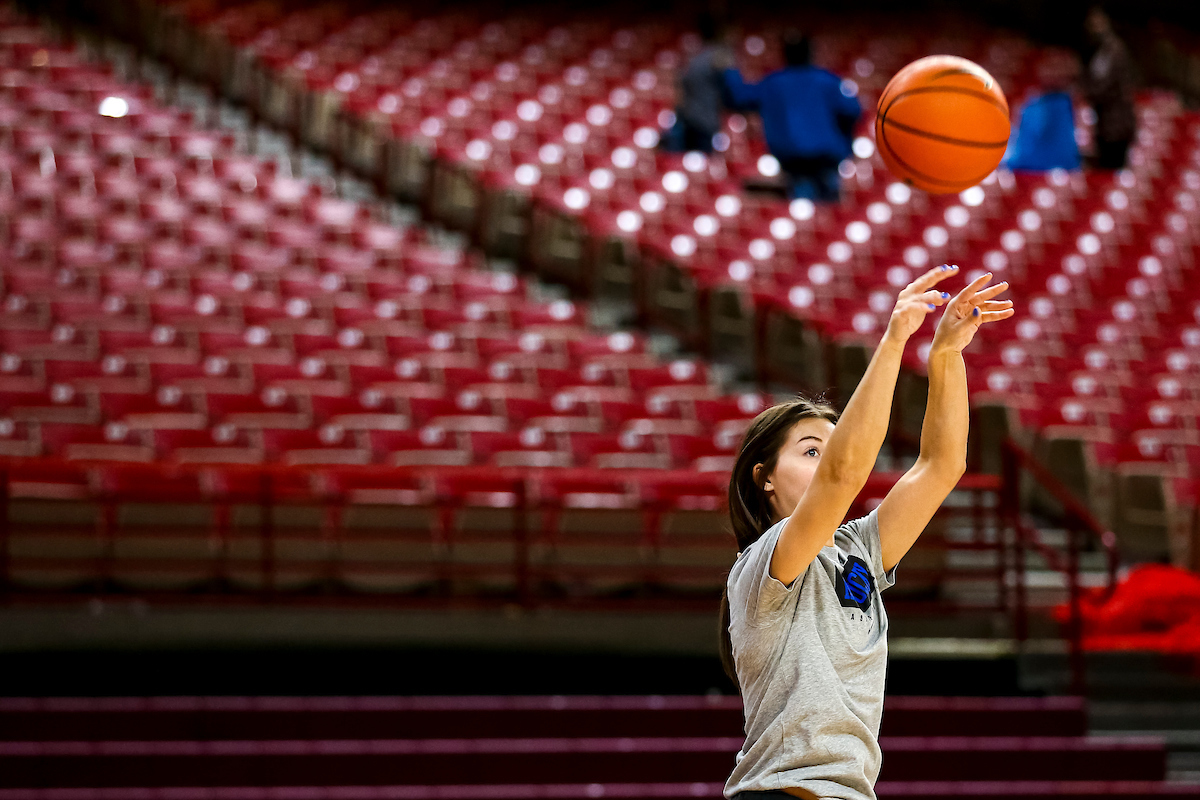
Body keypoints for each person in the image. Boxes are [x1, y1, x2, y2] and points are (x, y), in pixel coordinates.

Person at [720, 265, 1015, 800]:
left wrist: (946, 355)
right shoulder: (760, 565)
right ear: (763, 479)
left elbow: (941, 466)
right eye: (812, 449)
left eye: (831, 445)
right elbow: (844, 472)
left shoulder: (858, 549)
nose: (828, 457)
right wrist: (895, 336)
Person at [724, 32, 860, 201]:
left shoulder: (774, 82)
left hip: (798, 161)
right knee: (825, 210)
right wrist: (845, 144)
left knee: (805, 208)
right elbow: (853, 110)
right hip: (821, 160)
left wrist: (729, 68)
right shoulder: (828, 81)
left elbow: (738, 97)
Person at [662, 13, 731, 154]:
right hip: (703, 124)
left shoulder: (694, 58)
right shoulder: (719, 57)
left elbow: (680, 93)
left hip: (693, 120)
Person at [1004, 52, 1082, 172]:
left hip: (1060, 170)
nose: (1054, 73)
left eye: (1058, 68)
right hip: (1025, 169)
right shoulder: (1030, 103)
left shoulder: (1072, 104)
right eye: (1050, 67)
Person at [1083, 6, 1136, 170]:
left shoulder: (1115, 50)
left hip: (1116, 126)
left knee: (1113, 169)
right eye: (1091, 23)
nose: (1095, 27)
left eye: (1098, 22)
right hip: (1104, 123)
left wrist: (1085, 93)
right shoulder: (1098, 50)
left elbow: (1107, 85)